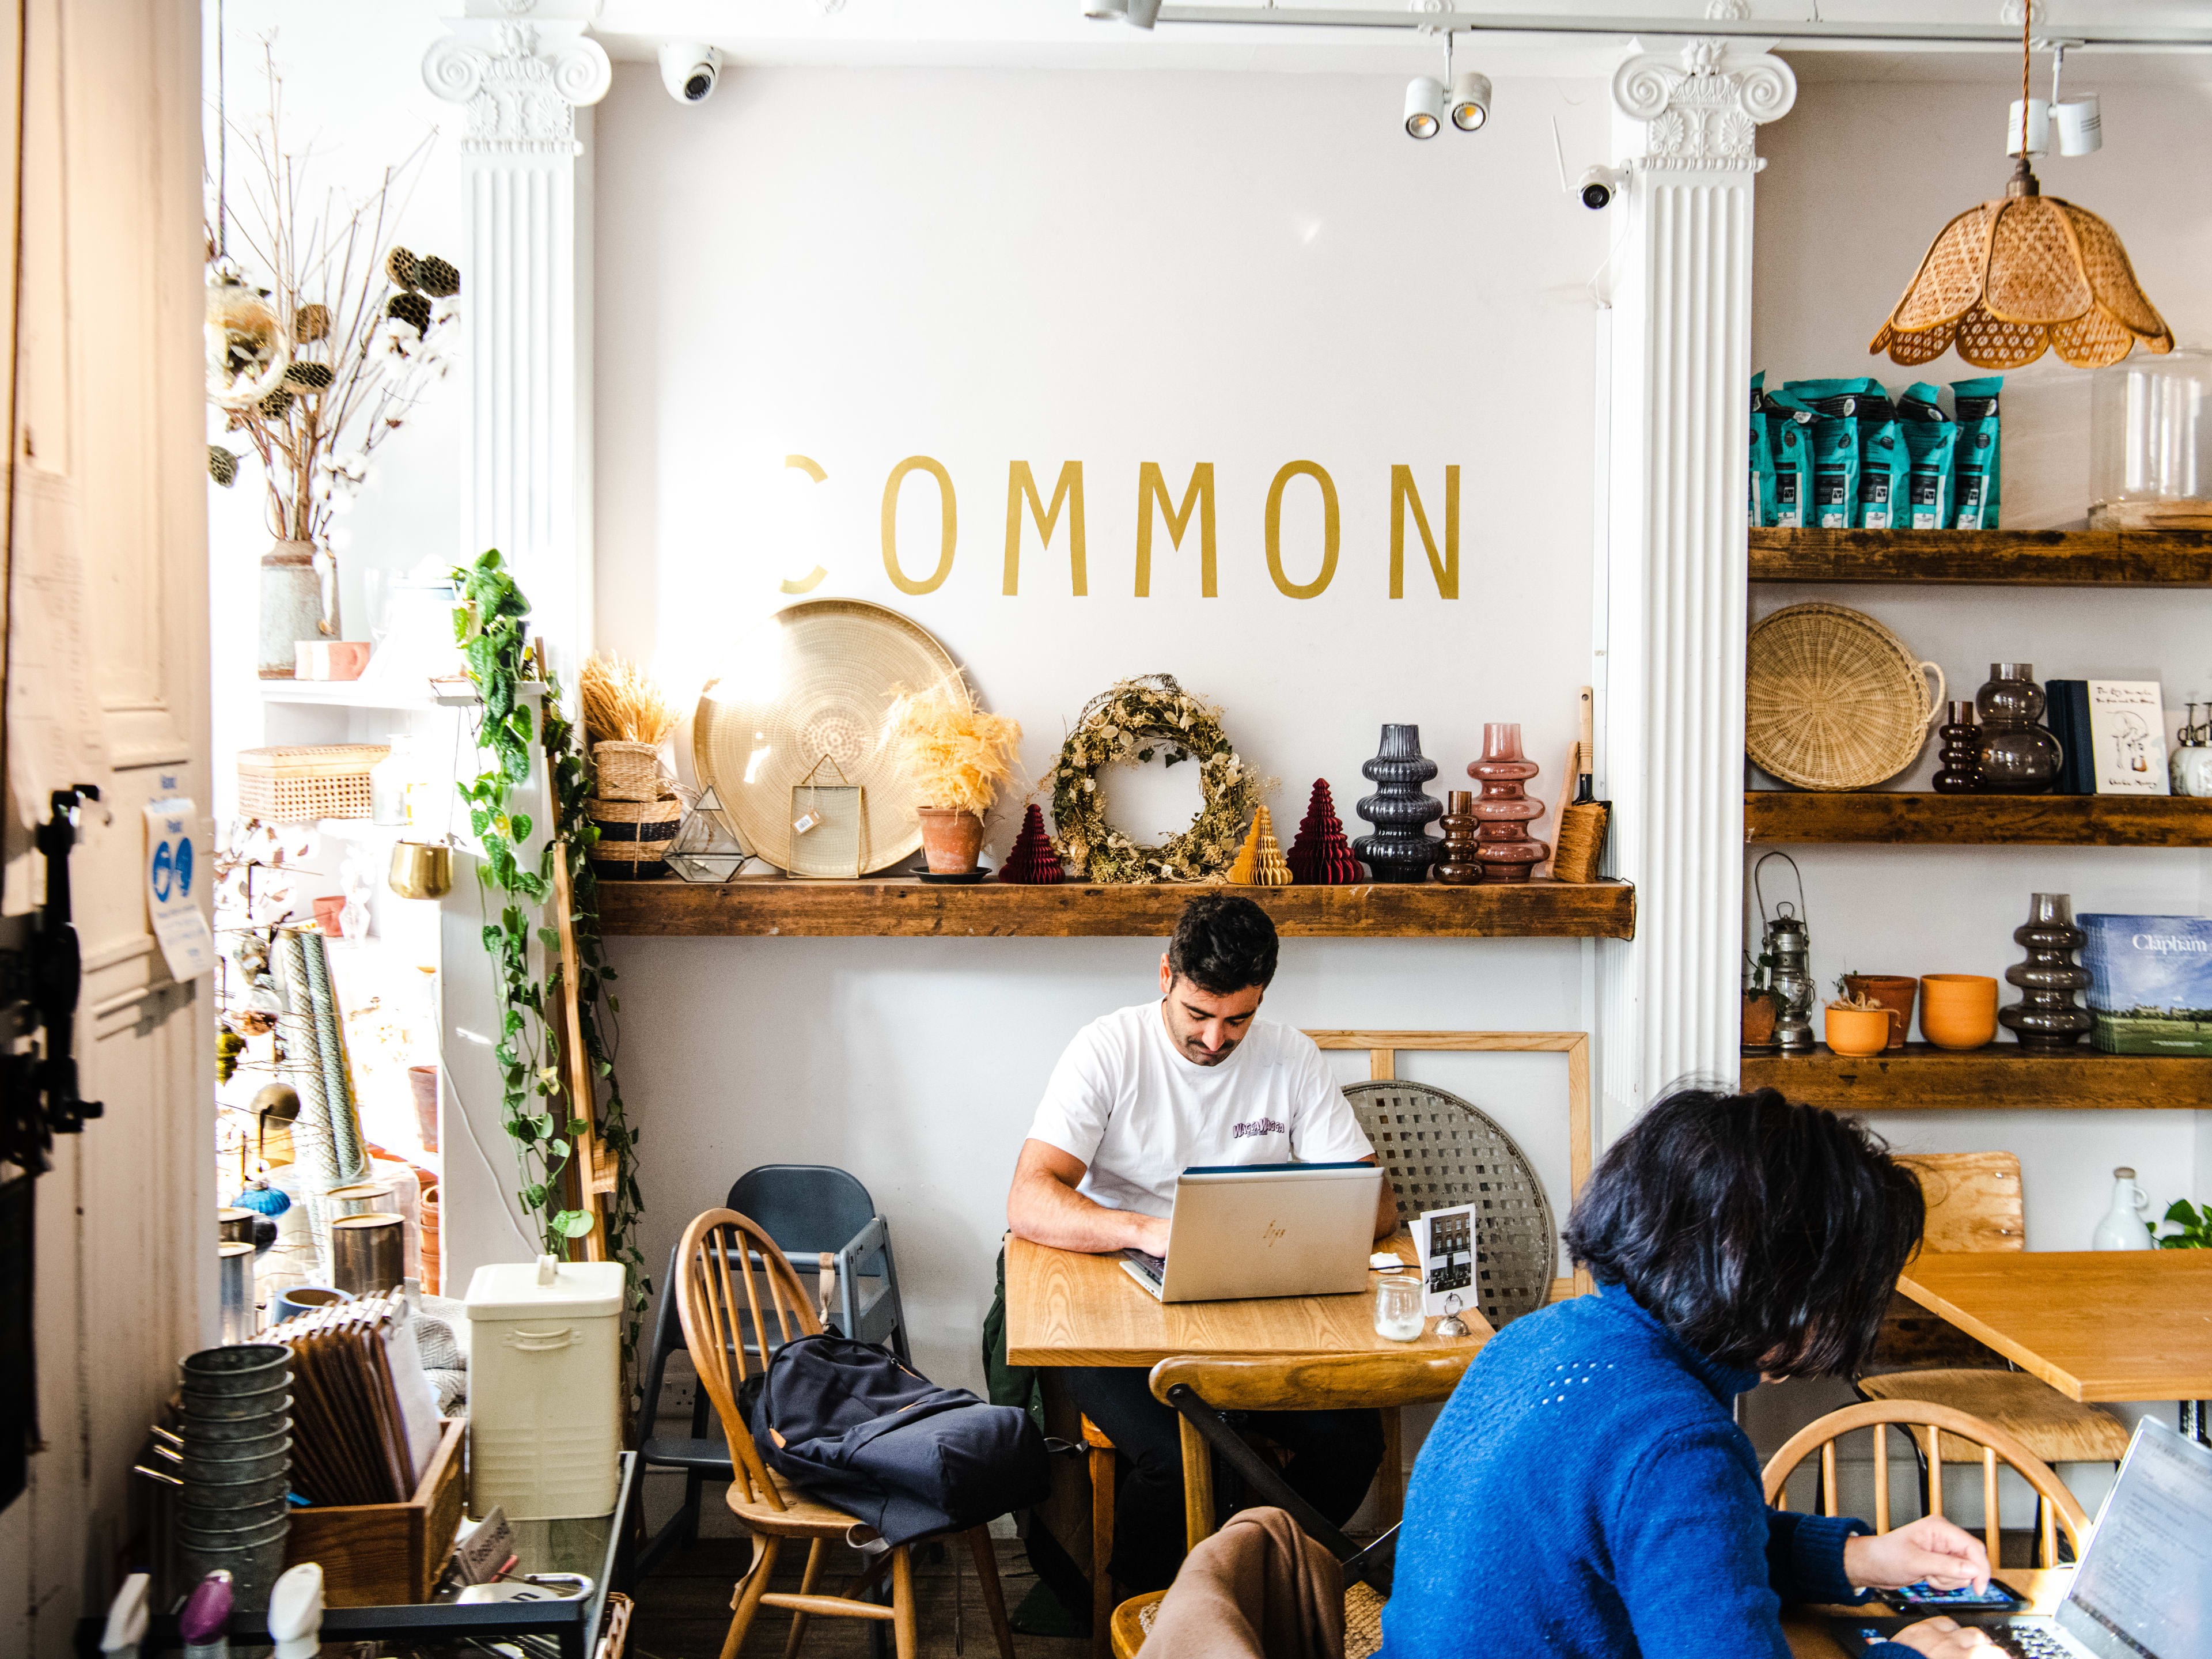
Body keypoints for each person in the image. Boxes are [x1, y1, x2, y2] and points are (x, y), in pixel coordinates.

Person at [1382, 1086, 1999, 1659]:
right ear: (1785, 1282)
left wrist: (1858, 1558)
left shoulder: (1535, 1338)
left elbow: (1679, 1549)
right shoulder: (1679, 1441)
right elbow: (1681, 1520)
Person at [1005, 892, 1399, 1595]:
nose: (1215, 1040)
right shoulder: (1108, 1048)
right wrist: (1147, 1231)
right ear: (1166, 976)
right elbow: (1030, 1196)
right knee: (1178, 1455)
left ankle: (1248, 1587)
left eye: (1237, 1020)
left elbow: (1377, 1207)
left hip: (1258, 1306)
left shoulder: (1291, 1057)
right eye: (1199, 1015)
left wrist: (1281, 1218)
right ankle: (1148, 1615)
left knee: (1353, 1442)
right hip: (1120, 1307)